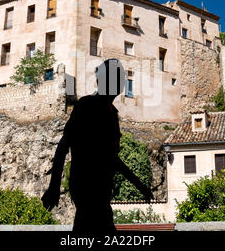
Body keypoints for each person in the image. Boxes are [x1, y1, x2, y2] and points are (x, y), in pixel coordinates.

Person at [41, 59, 153, 232]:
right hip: (89, 191)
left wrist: (139, 185)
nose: (123, 81)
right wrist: (54, 186)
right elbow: (63, 146)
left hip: (99, 194)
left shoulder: (111, 113)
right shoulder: (86, 106)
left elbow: (111, 159)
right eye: (120, 77)